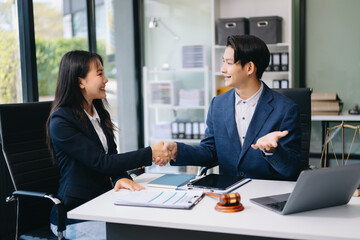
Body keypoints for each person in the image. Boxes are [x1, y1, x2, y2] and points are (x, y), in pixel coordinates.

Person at [46, 50, 164, 239]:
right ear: (80, 82)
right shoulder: (61, 121)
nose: (106, 79)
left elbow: (112, 156)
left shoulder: (98, 112)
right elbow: (102, 162)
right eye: (100, 73)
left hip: (103, 202)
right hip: (75, 213)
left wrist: (119, 178)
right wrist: (149, 153)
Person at [154, 35, 302, 180]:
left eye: (229, 63)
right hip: (229, 193)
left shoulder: (285, 109)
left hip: (267, 193)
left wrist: (272, 151)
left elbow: (292, 170)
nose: (222, 69)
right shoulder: (218, 104)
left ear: (249, 67)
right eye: (223, 62)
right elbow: (209, 152)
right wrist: (178, 151)